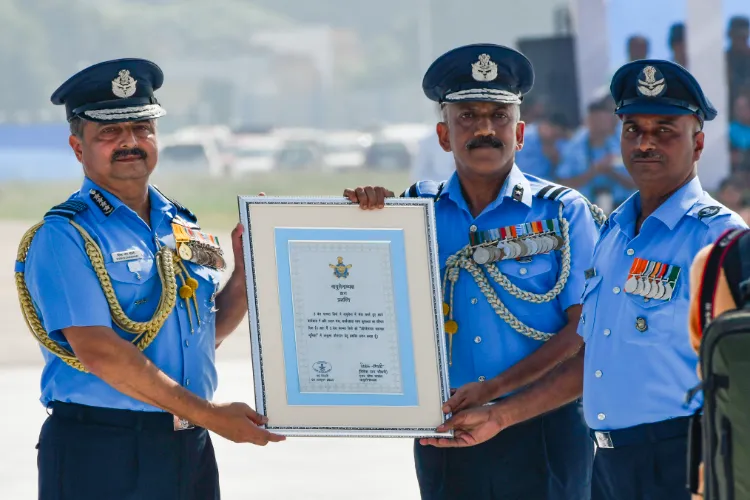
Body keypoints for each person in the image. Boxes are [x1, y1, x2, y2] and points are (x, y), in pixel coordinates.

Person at [418, 59, 749, 499]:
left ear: (698, 142)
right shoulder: (616, 234)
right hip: (609, 464)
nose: (646, 143)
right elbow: (591, 358)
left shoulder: (721, 239)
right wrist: (500, 413)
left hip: (685, 462)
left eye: (665, 130)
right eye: (634, 129)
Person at [15, 58, 284, 500]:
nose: (130, 143)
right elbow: (101, 353)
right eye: (110, 133)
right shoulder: (64, 235)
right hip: (102, 449)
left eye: (142, 129)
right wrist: (213, 416)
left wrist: (245, 271)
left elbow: (201, 334)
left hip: (187, 446)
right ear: (77, 147)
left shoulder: (183, 225)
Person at [344, 43, 601, 500]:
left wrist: (496, 391)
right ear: (444, 135)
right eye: (467, 117)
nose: (485, 129)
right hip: (447, 425)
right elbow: (368, 302)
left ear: (520, 132)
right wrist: (369, 216)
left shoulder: (563, 213)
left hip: (542, 424)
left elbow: (583, 330)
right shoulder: (413, 211)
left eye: (498, 116)